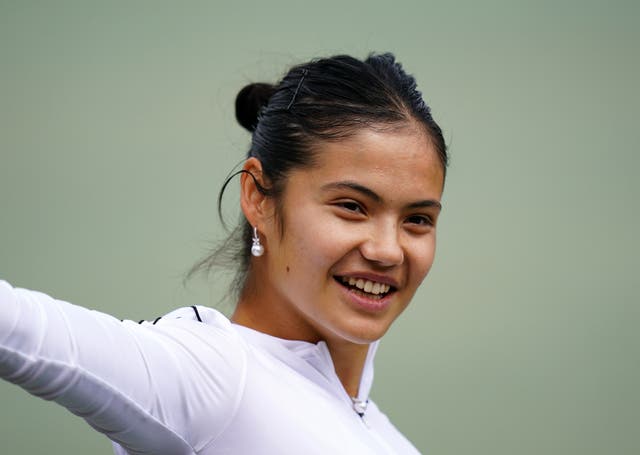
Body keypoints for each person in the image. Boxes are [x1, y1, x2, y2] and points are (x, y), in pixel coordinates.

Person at [0, 52, 447, 454]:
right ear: (258, 197)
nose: (388, 250)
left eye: (418, 219)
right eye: (352, 207)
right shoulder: (214, 376)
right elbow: (19, 327)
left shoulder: (378, 429)